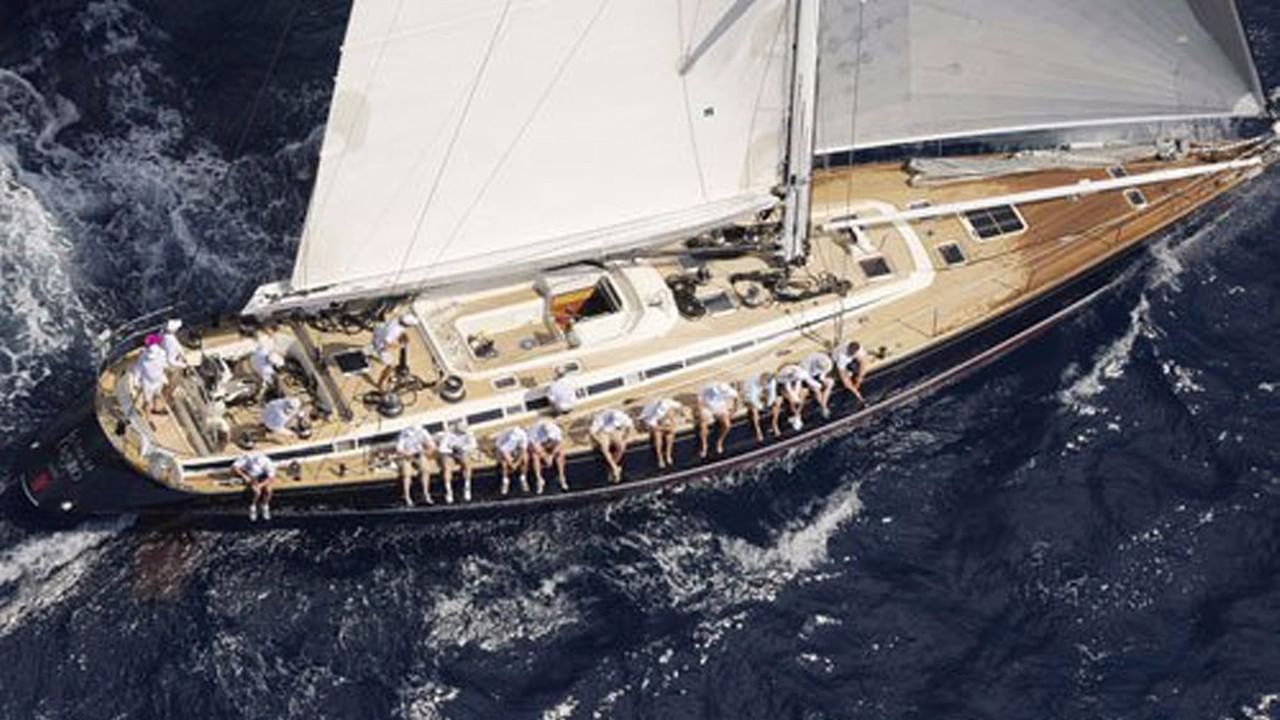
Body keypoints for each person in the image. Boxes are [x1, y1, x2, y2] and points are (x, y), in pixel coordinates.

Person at [371, 314, 419, 391]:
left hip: (377, 333)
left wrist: (403, 336)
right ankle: (380, 384)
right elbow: (386, 344)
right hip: (379, 346)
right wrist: (397, 346)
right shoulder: (394, 331)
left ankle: (375, 354)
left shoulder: (396, 320)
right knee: (391, 366)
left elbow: (399, 331)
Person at [130, 334, 170, 423]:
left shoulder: (144, 356)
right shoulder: (160, 354)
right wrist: (136, 382)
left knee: (156, 395)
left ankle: (155, 409)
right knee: (148, 400)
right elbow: (138, 370)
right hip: (150, 381)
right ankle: (149, 418)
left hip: (154, 380)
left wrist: (136, 382)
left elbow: (138, 370)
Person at [395, 424, 437, 506]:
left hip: (418, 455)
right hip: (406, 456)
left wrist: (425, 450)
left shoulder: (423, 432)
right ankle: (406, 496)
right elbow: (399, 448)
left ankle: (425, 493)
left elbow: (432, 446)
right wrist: (406, 453)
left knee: (425, 470)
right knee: (406, 474)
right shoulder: (404, 434)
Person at [589, 407, 633, 483]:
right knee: (604, 448)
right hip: (603, 432)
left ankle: (613, 468)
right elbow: (592, 432)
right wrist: (599, 441)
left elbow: (630, 426)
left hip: (615, 431)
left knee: (621, 446)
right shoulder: (600, 418)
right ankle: (615, 468)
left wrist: (625, 438)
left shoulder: (621, 416)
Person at [436, 420, 477, 502]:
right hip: (449, 453)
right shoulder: (448, 435)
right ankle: (448, 490)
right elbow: (442, 448)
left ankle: (467, 487)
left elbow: (473, 445)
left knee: (467, 464)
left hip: (461, 452)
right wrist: (452, 449)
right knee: (447, 467)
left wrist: (462, 448)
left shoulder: (468, 434)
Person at [695, 381, 738, 458]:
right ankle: (704, 445)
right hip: (707, 408)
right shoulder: (708, 387)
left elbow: (736, 396)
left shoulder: (729, 391)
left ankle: (719, 442)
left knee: (727, 425)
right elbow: (699, 398)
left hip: (720, 408)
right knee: (702, 425)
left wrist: (735, 408)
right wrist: (699, 410)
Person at [232, 451, 276, 521]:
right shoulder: (247, 458)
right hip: (251, 477)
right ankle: (252, 507)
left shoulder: (267, 462)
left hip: (263, 477)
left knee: (268, 491)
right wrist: (244, 476)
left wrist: (261, 485)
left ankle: (265, 505)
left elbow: (271, 477)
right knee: (256, 492)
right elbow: (234, 467)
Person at [639, 397, 682, 469]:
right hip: (652, 425)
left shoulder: (670, 404)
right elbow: (652, 427)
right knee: (657, 436)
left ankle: (668, 454)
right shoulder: (652, 414)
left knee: (670, 434)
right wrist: (663, 428)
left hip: (662, 424)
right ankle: (660, 458)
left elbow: (679, 407)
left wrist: (671, 422)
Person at [528, 419, 568, 493]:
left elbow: (559, 444)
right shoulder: (534, 431)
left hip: (551, 446)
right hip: (539, 447)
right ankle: (539, 479)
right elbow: (534, 447)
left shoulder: (556, 429)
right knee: (534, 456)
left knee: (561, 453)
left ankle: (561, 477)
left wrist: (551, 455)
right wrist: (545, 457)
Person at [741, 371, 781, 442]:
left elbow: (772, 394)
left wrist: (769, 403)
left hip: (760, 394)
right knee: (754, 409)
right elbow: (752, 399)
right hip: (748, 396)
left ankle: (774, 424)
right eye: (762, 382)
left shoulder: (771, 382)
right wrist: (761, 407)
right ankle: (758, 430)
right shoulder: (752, 384)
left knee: (777, 401)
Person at [494, 426, 531, 495]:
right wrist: (511, 464)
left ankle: (523, 478)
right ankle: (505, 481)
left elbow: (523, 451)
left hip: (515, 450)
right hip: (501, 451)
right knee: (504, 463)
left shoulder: (523, 437)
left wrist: (517, 463)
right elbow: (503, 452)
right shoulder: (505, 439)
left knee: (525, 458)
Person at [776, 362, 811, 431]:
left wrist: (796, 413)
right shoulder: (802, 410)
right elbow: (801, 402)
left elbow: (791, 402)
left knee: (793, 396)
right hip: (793, 390)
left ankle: (789, 373)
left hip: (788, 391)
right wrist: (797, 412)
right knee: (801, 393)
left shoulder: (789, 411)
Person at [803, 351, 836, 419]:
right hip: (809, 376)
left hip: (819, 375)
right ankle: (824, 407)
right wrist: (817, 385)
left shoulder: (828, 363)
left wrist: (823, 379)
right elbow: (807, 379)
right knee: (816, 390)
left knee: (830, 383)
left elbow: (824, 373)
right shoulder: (806, 365)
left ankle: (823, 406)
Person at [835, 340, 870, 405]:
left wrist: (859, 378)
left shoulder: (858, 349)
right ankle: (857, 394)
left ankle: (857, 384)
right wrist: (854, 391)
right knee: (846, 383)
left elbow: (864, 362)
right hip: (838, 362)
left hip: (850, 360)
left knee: (862, 366)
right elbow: (844, 378)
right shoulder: (841, 357)